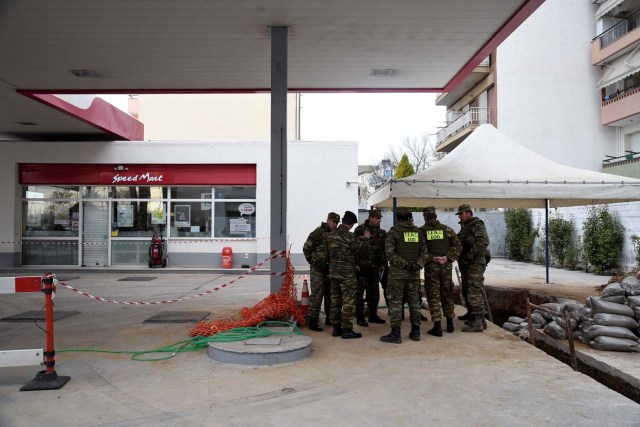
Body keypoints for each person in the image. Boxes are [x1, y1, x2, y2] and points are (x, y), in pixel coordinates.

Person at [380, 208, 428, 344]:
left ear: (397, 219)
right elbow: (424, 253)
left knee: (395, 302)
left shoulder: (393, 232)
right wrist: (416, 265)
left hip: (397, 274)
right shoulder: (418, 232)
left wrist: (404, 264)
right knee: (414, 302)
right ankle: (416, 332)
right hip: (414, 274)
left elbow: (390, 254)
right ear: (408, 218)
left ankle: (395, 334)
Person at [326, 211, 370, 339]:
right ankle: (347, 329)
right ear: (351, 224)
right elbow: (361, 249)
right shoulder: (350, 237)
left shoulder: (330, 235)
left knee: (335, 300)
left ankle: (336, 328)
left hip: (333, 273)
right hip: (347, 275)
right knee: (348, 301)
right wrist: (366, 239)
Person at [419, 206, 462, 336]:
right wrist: (447, 258)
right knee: (447, 293)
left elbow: (420, 250)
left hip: (432, 267)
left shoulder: (422, 231)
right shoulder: (447, 230)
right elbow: (458, 246)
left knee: (433, 296)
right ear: (436, 216)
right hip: (446, 267)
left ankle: (437, 326)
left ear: (425, 217)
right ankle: (450, 324)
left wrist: (433, 258)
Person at [302, 212, 340, 331]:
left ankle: (329, 318)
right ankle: (313, 320)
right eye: (333, 222)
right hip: (318, 270)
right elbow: (306, 248)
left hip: (330, 270)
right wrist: (313, 262)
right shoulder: (317, 233)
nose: (335, 225)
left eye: (337, 223)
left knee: (330, 295)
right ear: (328, 220)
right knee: (317, 296)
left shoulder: (335, 234)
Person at [455, 204, 490, 333]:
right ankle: (474, 316)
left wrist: (471, 254)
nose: (459, 216)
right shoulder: (468, 226)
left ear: (468, 213)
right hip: (467, 264)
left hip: (475, 263)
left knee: (473, 291)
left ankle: (477, 323)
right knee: (467, 289)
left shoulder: (476, 224)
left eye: (461, 214)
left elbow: (483, 241)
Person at [354, 209, 387, 325]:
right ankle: (359, 316)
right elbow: (354, 248)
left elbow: (384, 250)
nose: (379, 220)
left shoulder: (382, 233)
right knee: (359, 293)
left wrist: (383, 264)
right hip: (362, 268)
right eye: (377, 218)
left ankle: (373, 315)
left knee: (374, 293)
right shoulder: (360, 230)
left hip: (375, 268)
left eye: (379, 218)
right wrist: (356, 264)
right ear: (371, 217)